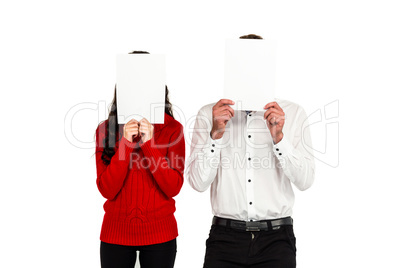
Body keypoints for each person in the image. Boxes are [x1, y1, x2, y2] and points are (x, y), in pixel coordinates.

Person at [187, 34, 315, 268]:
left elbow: (306, 180)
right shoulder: (209, 114)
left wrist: (279, 138)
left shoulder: (293, 113)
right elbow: (197, 183)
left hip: (276, 240)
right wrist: (215, 135)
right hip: (224, 240)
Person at [95, 51, 185, 268]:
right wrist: (125, 144)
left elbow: (173, 187)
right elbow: (107, 189)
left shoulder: (173, 129)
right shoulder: (105, 130)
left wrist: (148, 145)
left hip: (160, 234)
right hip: (115, 235)